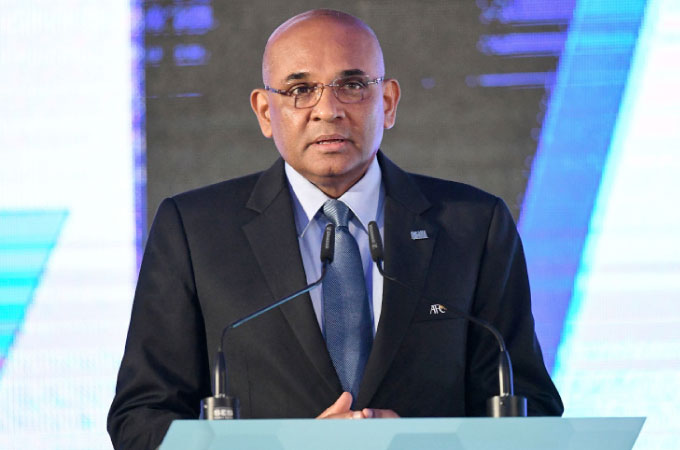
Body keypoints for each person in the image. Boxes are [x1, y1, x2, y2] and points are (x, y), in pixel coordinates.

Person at [107, 9, 563, 450]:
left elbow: (530, 410)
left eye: (352, 85)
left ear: (387, 102)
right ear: (266, 112)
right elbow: (142, 421)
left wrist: (423, 445)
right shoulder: (193, 231)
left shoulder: (473, 225)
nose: (328, 110)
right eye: (300, 89)